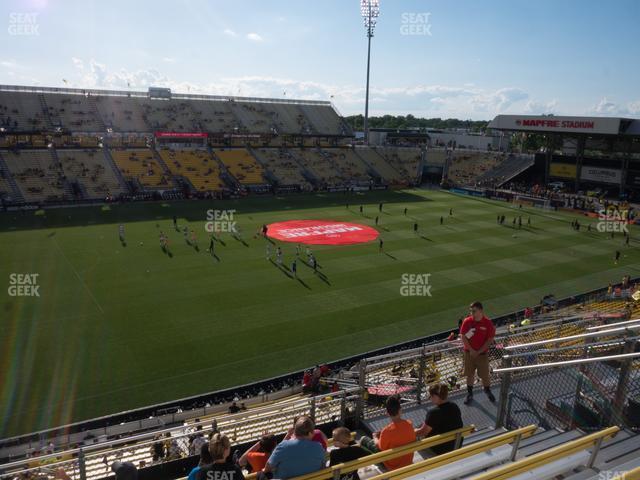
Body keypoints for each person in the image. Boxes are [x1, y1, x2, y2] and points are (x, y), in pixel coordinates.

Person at [360, 395, 416, 471]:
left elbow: (379, 447)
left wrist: (375, 437)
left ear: (388, 414)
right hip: (407, 461)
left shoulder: (386, 431)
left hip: (392, 465)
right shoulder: (409, 424)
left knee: (363, 439)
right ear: (400, 410)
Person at [460, 301, 496, 404]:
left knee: (485, 375)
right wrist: (471, 350)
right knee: (469, 374)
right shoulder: (467, 321)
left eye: (474, 311)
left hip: (482, 355)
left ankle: (487, 390)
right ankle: (470, 394)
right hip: (469, 353)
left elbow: (489, 339)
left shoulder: (488, 323)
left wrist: (479, 351)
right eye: (471, 311)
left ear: (480, 311)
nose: (472, 313)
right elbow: (463, 336)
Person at [414, 384, 463, 455]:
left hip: (440, 450)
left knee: (417, 437)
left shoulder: (434, 413)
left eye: (430, 396)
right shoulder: (454, 407)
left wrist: (411, 432)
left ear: (435, 396)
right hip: (455, 446)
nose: (430, 398)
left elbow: (423, 432)